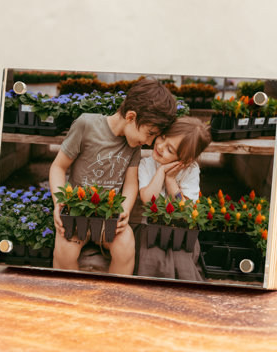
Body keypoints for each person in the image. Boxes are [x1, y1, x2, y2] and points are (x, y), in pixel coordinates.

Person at [50, 78, 177, 275]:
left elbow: (131, 184)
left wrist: (124, 211)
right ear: (131, 116)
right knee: (65, 251)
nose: (149, 142)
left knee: (126, 246)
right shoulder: (87, 125)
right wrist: (58, 202)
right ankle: (68, 298)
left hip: (108, 216)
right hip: (77, 213)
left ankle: (115, 296)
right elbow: (58, 166)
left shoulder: (133, 143)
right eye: (150, 133)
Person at [134, 116, 211, 280]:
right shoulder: (147, 164)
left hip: (180, 231)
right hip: (150, 228)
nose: (160, 146)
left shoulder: (191, 170)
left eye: (170, 149)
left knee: (182, 262)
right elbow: (148, 200)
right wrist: (161, 172)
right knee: (151, 259)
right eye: (162, 137)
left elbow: (187, 210)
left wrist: (170, 181)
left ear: (185, 160)